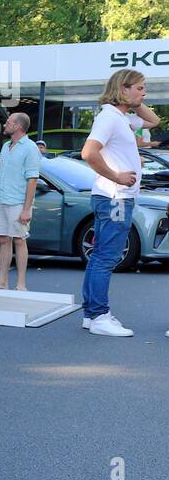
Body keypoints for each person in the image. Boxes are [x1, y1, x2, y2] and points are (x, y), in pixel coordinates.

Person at [80, 69, 160, 336]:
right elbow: (88, 153)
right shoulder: (110, 118)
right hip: (115, 197)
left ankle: (92, 314)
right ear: (123, 89)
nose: (144, 92)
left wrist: (135, 100)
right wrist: (116, 175)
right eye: (139, 88)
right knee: (106, 257)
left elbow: (154, 120)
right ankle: (100, 316)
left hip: (112, 196)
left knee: (100, 256)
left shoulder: (121, 117)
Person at [0, 112, 41, 291]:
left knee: (19, 240)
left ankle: (21, 284)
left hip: (18, 202)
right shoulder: (6, 146)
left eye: (9, 122)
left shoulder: (30, 147)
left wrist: (27, 209)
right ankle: (2, 280)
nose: (5, 124)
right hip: (0, 199)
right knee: (3, 239)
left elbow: (33, 179)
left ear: (18, 126)